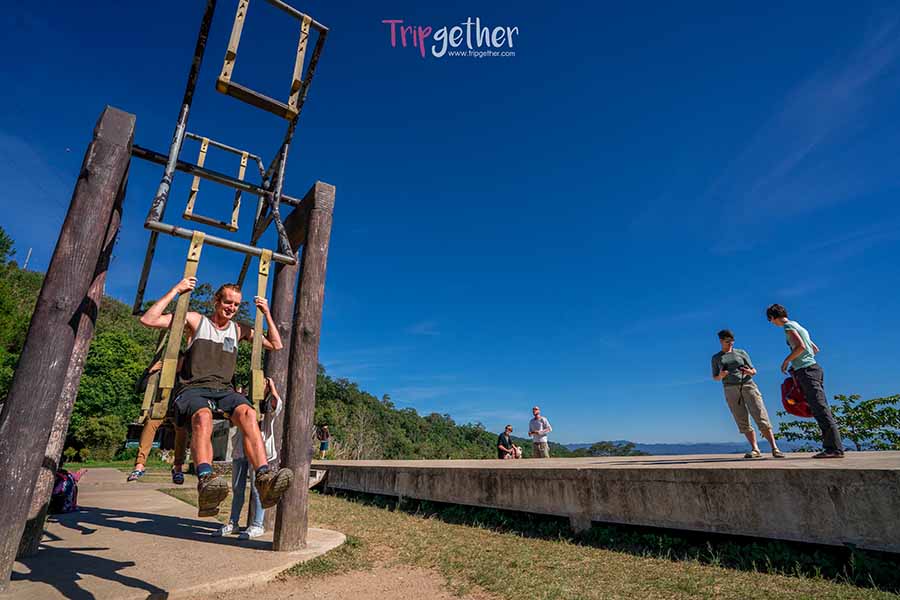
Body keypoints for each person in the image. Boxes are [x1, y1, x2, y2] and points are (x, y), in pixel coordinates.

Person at [139, 277, 293, 517]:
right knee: (203, 417)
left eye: (236, 304)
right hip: (193, 389)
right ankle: (206, 479)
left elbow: (276, 344)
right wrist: (177, 289)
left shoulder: (238, 329)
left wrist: (266, 313)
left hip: (224, 390)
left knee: (248, 413)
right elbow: (148, 320)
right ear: (216, 301)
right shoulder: (196, 320)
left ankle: (263, 478)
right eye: (228, 302)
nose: (232, 308)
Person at [766, 304, 844, 458]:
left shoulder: (788, 327)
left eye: (770, 320)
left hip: (806, 371)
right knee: (819, 407)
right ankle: (832, 447)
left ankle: (834, 449)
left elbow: (800, 347)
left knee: (820, 409)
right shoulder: (797, 325)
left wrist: (787, 361)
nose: (772, 323)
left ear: (772, 317)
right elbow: (814, 349)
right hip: (814, 368)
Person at [217, 376, 284, 539]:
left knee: (258, 488)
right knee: (237, 488)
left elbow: (277, 404)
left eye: (262, 383)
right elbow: (227, 415)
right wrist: (237, 396)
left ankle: (258, 524)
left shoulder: (267, 405)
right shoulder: (242, 405)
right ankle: (233, 523)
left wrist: (272, 388)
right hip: (240, 450)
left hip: (258, 453)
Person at [711, 329, 784, 459]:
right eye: (727, 341)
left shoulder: (741, 353)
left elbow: (754, 370)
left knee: (760, 414)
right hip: (730, 388)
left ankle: (775, 448)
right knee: (741, 418)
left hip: (748, 385)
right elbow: (715, 377)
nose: (730, 343)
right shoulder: (716, 357)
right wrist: (721, 375)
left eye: (732, 341)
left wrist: (749, 372)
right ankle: (755, 449)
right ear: (721, 341)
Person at [128, 360, 190, 485]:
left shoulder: (186, 376)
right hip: (160, 408)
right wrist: (149, 371)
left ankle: (178, 467)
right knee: (150, 424)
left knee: (182, 429)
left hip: (177, 410)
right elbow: (139, 388)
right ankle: (140, 465)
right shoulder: (159, 373)